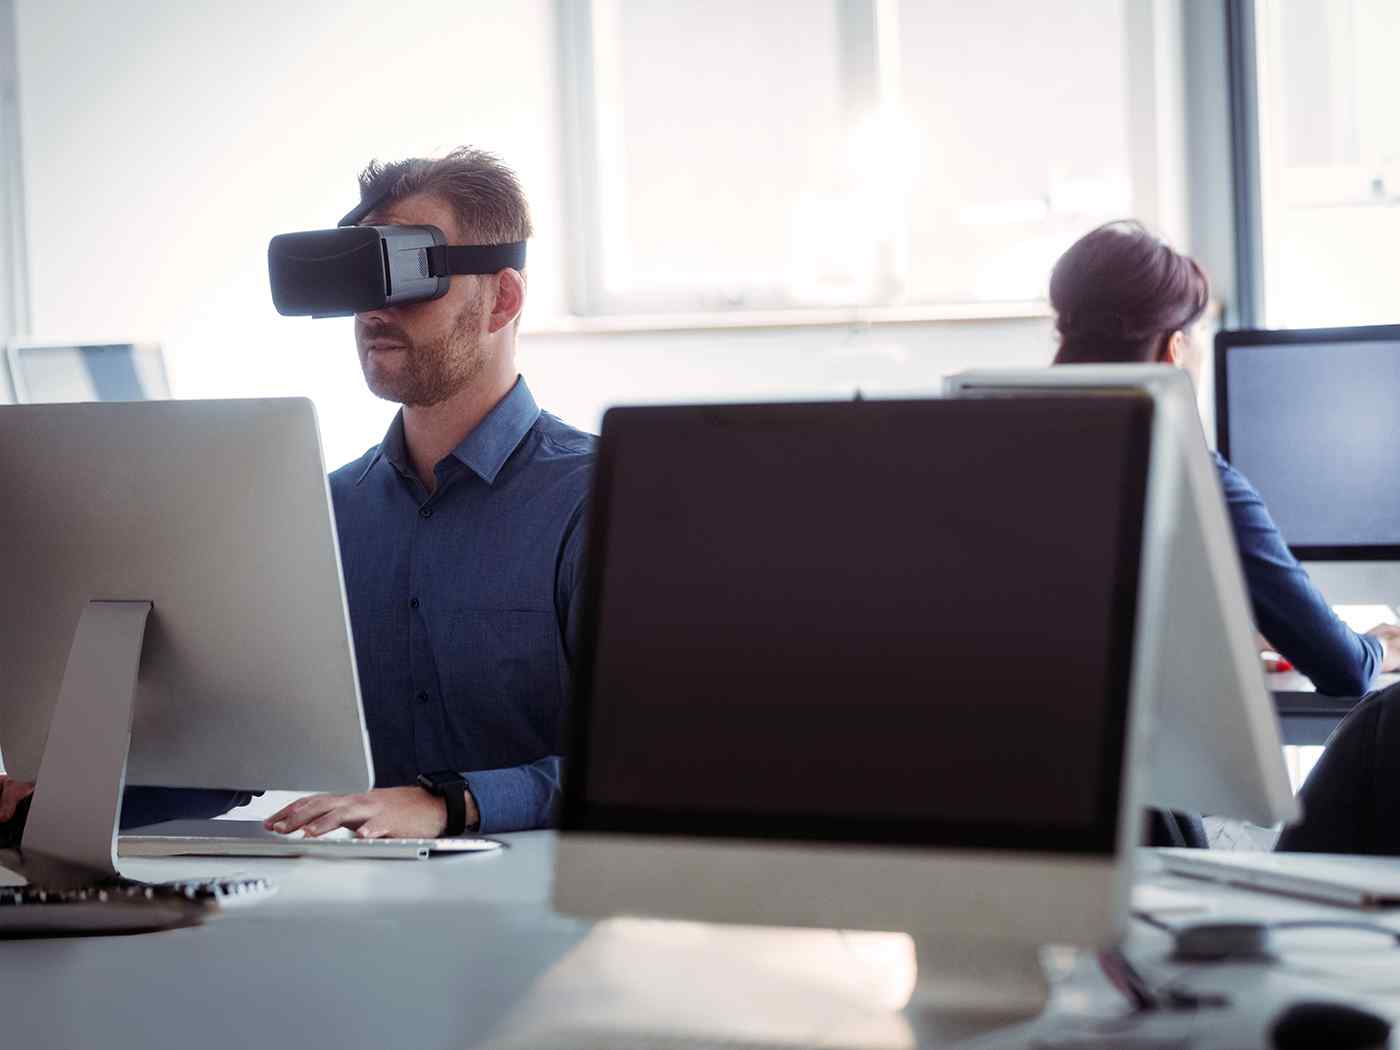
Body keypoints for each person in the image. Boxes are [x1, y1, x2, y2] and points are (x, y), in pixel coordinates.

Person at [262, 147, 593, 839]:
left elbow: (645, 761)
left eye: (407, 272)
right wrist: (74, 787)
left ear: (502, 299)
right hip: (364, 909)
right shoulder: (326, 514)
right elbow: (247, 742)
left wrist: (449, 802)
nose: (375, 311)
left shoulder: (596, 504)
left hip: (553, 912)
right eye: (363, 276)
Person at [1050, 220, 1400, 697]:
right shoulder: (1191, 475)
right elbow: (1344, 669)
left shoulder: (994, 443)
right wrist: (1379, 648)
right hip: (1156, 763)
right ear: (1174, 348)